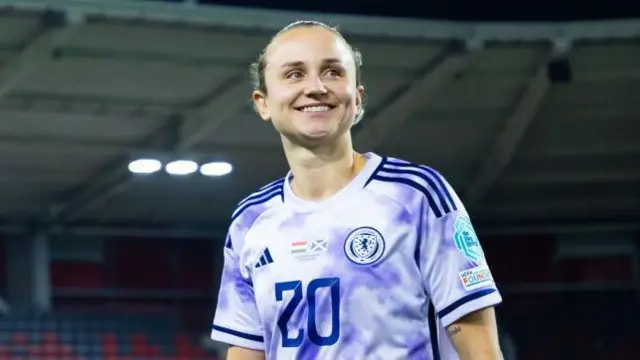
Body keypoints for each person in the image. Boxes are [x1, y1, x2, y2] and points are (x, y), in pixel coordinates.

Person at [211, 20, 503, 360]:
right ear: (262, 102)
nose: (316, 87)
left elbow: (479, 345)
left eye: (333, 72)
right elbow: (246, 351)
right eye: (294, 74)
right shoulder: (249, 221)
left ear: (358, 98)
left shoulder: (416, 196)